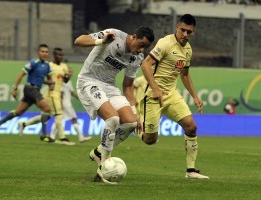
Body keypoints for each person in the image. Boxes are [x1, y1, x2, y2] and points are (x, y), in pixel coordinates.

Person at [74, 26, 154, 183]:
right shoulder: (114, 35)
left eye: (145, 47)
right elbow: (79, 41)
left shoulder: (136, 58)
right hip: (89, 81)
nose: (141, 50)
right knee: (113, 119)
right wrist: (101, 41)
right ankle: (104, 165)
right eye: (141, 44)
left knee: (131, 123)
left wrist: (134, 112)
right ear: (133, 36)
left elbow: (128, 86)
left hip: (109, 86)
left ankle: (98, 152)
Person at [138, 14, 209, 179]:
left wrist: (195, 97)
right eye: (183, 30)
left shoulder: (188, 50)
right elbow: (146, 64)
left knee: (191, 126)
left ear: (194, 31)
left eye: (189, 32)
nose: (185, 34)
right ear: (177, 26)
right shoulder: (165, 43)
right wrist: (155, 89)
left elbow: (184, 75)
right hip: (153, 95)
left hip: (171, 94)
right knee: (150, 140)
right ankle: (137, 125)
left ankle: (191, 170)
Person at [0, 44, 54, 142]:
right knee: (47, 108)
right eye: (42, 51)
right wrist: (15, 89)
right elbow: (21, 75)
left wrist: (51, 84)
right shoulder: (33, 62)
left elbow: (48, 79)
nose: (44, 53)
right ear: (38, 52)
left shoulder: (47, 66)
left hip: (35, 90)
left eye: (46, 52)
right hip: (30, 89)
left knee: (18, 112)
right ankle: (44, 135)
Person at [18, 47, 75, 145]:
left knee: (46, 116)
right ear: (54, 55)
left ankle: (24, 124)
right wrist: (48, 83)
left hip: (56, 93)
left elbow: (64, 81)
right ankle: (63, 138)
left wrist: (68, 76)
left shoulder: (64, 66)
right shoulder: (49, 65)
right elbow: (43, 78)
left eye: (62, 55)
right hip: (51, 94)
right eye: (58, 55)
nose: (60, 57)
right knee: (59, 114)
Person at [49, 67, 92, 143]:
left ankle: (51, 137)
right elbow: (61, 94)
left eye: (71, 72)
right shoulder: (62, 81)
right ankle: (81, 137)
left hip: (66, 104)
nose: (70, 73)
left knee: (59, 119)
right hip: (65, 104)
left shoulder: (68, 82)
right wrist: (61, 105)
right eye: (69, 71)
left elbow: (71, 93)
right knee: (74, 119)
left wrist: (81, 99)